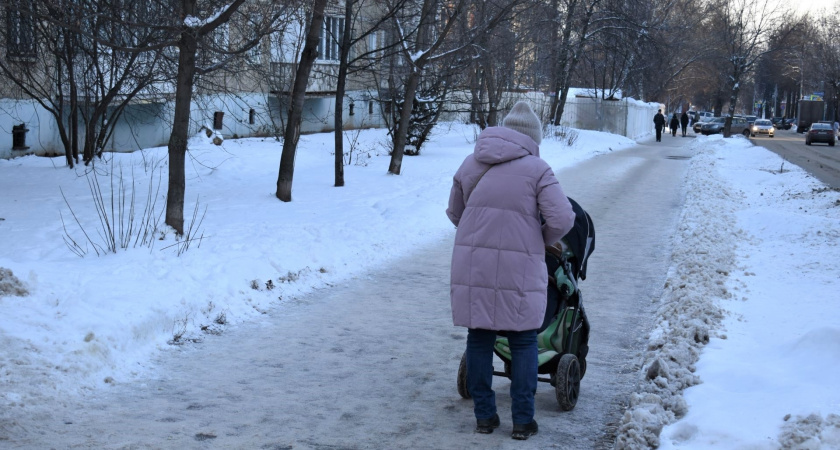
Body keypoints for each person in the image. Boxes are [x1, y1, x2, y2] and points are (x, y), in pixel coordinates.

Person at [446, 101, 575, 441]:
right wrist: (539, 239)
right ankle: (522, 420)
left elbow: (455, 213)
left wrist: (479, 235)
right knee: (522, 340)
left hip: (474, 265)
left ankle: (485, 417)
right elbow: (562, 219)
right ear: (533, 138)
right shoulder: (538, 169)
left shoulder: (470, 163)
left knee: (479, 337)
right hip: (521, 268)